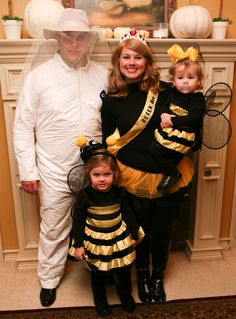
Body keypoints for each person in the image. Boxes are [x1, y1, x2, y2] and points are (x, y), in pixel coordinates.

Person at [13, 8, 108, 307]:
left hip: (97, 170)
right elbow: (23, 125)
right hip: (53, 169)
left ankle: (99, 276)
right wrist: (28, 170)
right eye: (69, 36)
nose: (75, 43)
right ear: (58, 38)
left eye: (81, 37)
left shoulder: (102, 74)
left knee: (100, 222)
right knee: (53, 226)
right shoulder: (39, 77)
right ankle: (49, 279)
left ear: (88, 40)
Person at [101, 30, 194, 304]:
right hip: (131, 178)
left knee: (163, 233)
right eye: (126, 57)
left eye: (137, 57)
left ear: (147, 62)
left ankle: (157, 277)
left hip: (168, 175)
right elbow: (110, 143)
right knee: (138, 233)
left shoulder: (166, 91)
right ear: (118, 61)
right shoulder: (111, 101)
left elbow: (189, 122)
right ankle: (141, 276)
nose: (131, 62)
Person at [68, 138, 144, 316]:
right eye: (97, 175)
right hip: (96, 240)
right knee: (98, 273)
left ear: (114, 174)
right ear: (89, 175)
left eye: (106, 175)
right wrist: (78, 245)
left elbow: (128, 214)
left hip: (118, 239)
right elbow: (78, 221)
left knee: (124, 270)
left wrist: (134, 235)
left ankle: (125, 294)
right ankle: (100, 299)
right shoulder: (85, 195)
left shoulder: (120, 192)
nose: (102, 180)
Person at [149, 43, 206, 192]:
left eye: (190, 77)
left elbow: (192, 119)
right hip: (170, 131)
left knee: (163, 150)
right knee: (153, 147)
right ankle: (171, 172)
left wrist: (171, 120)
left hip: (185, 135)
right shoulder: (172, 94)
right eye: (180, 78)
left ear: (199, 81)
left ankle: (173, 173)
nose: (185, 81)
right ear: (173, 81)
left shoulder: (197, 99)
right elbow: (164, 107)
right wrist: (163, 115)